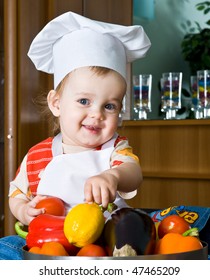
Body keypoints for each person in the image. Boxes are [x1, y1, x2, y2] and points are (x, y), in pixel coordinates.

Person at [0, 11, 151, 259]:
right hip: (51, 245)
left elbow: (133, 174)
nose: (97, 114)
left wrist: (113, 175)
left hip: (105, 245)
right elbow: (16, 193)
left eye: (110, 106)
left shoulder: (115, 148)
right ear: (56, 103)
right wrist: (23, 211)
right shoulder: (37, 155)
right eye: (84, 101)